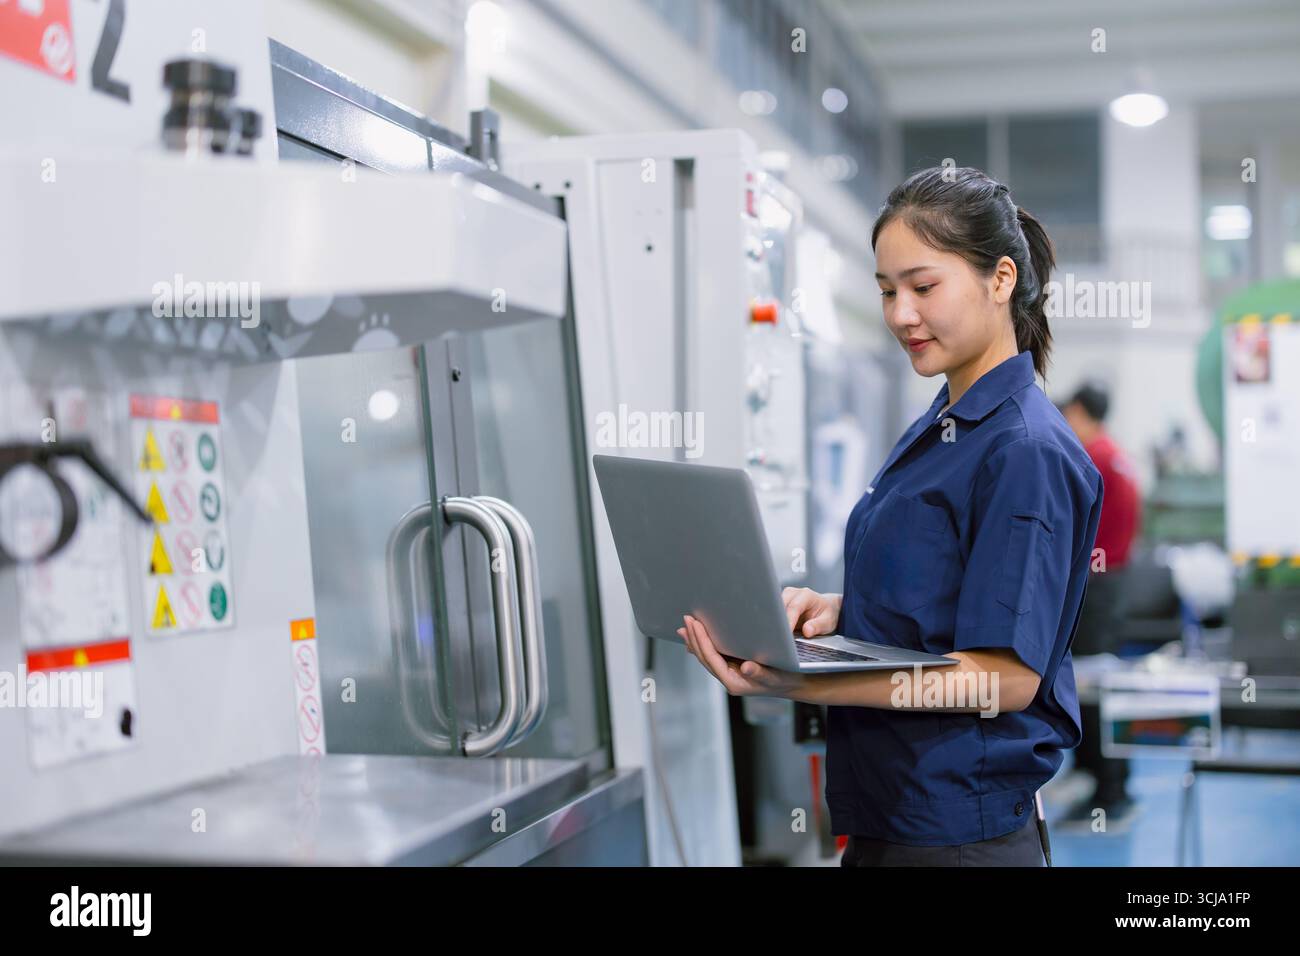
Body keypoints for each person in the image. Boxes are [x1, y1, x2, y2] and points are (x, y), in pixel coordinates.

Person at [677, 166, 1102, 866]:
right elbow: (943, 596)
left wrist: (809, 680)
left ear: (1000, 280)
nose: (901, 312)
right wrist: (839, 612)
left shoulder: (1023, 450)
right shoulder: (943, 425)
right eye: (886, 291)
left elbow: (1003, 676)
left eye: (923, 287)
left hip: (955, 836)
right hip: (894, 814)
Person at [1058, 382, 1143, 830]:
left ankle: (1110, 789)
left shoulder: (1097, 457)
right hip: (1112, 582)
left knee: (1093, 686)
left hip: (1098, 584)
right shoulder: (1115, 454)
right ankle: (1095, 775)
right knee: (1094, 683)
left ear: (1079, 411)